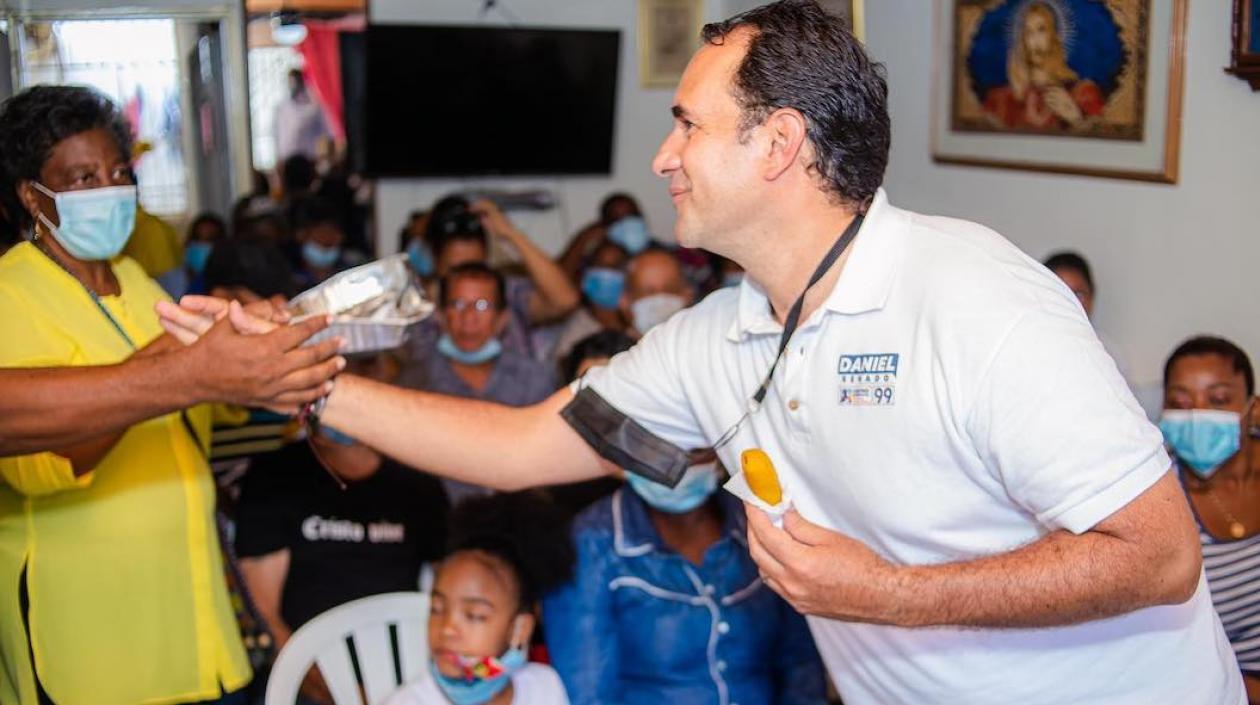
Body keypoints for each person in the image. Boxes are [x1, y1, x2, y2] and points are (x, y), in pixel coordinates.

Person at [162, 3, 1241, 703]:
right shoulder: (721, 336)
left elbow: (1158, 555)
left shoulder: (975, 298)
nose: (664, 156)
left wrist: (890, 593)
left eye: (688, 126)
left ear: (778, 147)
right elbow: (514, 446)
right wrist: (299, 373)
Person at [0, 84, 338, 705]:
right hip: (88, 627)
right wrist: (186, 363)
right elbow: (43, 466)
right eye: (82, 179)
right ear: (32, 195)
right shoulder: (10, 294)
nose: (109, 189)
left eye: (118, 171)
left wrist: (252, 346)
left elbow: (204, 403)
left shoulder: (135, 279)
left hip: (190, 606)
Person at [236, 350, 450, 704]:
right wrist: (340, 694)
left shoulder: (418, 482)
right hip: (301, 680)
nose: (345, 386)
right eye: (334, 375)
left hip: (404, 681)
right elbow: (264, 615)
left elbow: (447, 590)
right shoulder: (275, 476)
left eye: (365, 367)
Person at [543, 452, 827, 705]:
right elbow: (589, 690)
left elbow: (799, 662)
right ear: (621, 450)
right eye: (658, 446)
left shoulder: (759, 520)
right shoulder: (592, 542)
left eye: (693, 447)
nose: (677, 460)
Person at [384, 493, 572, 705]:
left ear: (520, 629)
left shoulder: (543, 688)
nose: (447, 628)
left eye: (474, 615)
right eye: (437, 609)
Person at [399, 263, 555, 505]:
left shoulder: (534, 379)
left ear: (502, 318)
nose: (469, 318)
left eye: (482, 306)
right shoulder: (415, 382)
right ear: (440, 315)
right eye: (457, 304)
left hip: (518, 519)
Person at [1161, 336, 1260, 703]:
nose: (1196, 414)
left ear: (1253, 410)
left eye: (1218, 400)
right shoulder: (1159, 497)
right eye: (1179, 403)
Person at [982, 1, 1104, 130]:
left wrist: (1076, 118)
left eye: (1042, 30)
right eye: (1028, 33)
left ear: (1054, 36)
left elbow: (1102, 137)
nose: (1035, 40)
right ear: (1022, 41)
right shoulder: (1002, 99)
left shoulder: (1080, 93)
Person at [549, 240, 630, 364]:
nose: (607, 273)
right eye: (601, 266)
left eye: (615, 266)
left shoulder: (639, 319)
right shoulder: (573, 334)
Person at [621, 248, 693, 338]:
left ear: (688, 295)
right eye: (648, 292)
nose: (660, 299)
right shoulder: (612, 350)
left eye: (670, 289)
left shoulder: (706, 343)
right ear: (625, 301)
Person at [274, 69, 332, 164]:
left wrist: (321, 157)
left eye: (296, 81)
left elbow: (324, 132)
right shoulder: (282, 108)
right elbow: (277, 135)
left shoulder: (313, 106)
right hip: (287, 159)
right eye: (290, 82)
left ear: (302, 82)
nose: (293, 85)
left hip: (308, 158)